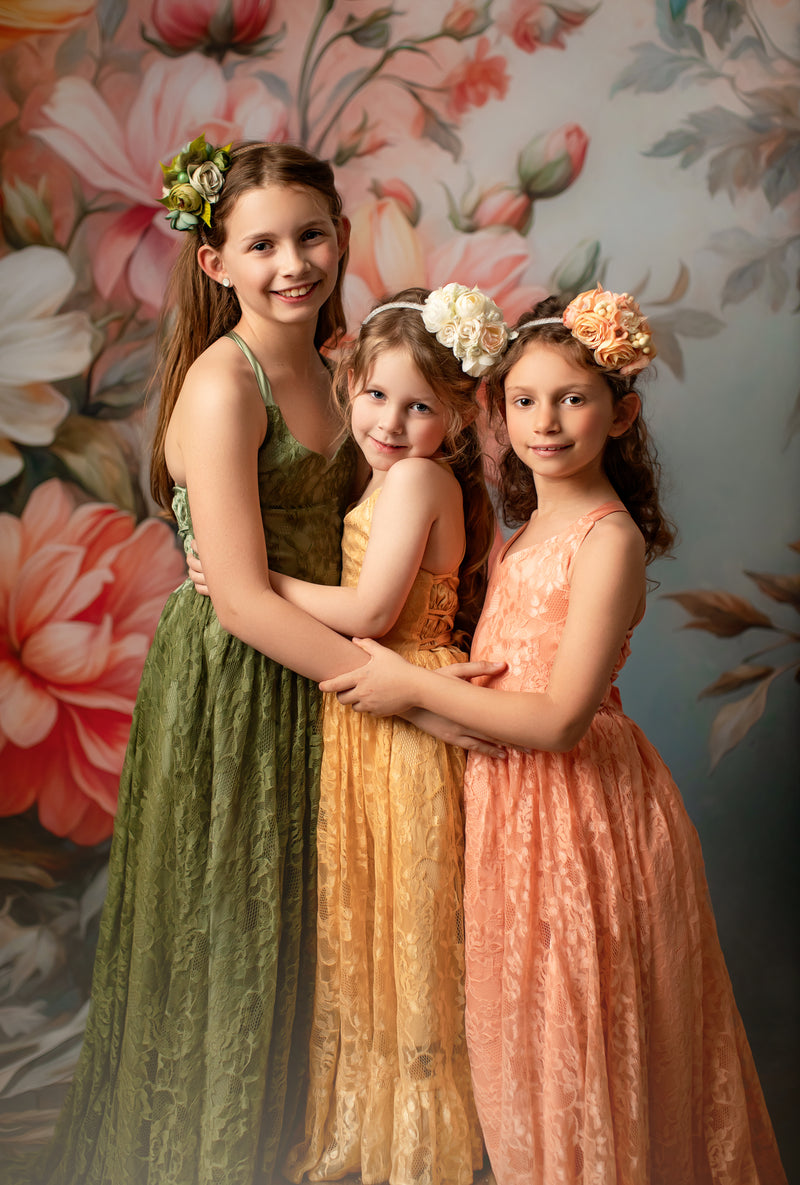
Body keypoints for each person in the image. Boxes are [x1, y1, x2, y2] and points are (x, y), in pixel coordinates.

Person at [320, 287, 788, 1185]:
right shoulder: (526, 528)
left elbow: (563, 716)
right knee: (522, 1054)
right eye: (525, 400)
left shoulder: (606, 539)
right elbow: (512, 666)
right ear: (495, 410)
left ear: (623, 413)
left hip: (583, 817)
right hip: (511, 809)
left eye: (573, 399)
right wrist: (451, 687)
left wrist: (408, 683)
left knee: (585, 1053)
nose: (546, 422)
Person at [6, 136, 373, 1185]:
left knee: (319, 930)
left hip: (325, 661)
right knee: (238, 937)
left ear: (341, 238)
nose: (291, 263)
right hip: (243, 683)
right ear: (216, 264)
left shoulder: (338, 366)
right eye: (261, 245)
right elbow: (246, 602)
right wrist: (399, 689)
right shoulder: (227, 385)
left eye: (310, 236)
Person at [265, 283, 505, 1185]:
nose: (393, 423)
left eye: (421, 407)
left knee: (409, 924)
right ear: (351, 382)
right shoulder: (392, 476)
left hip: (405, 713)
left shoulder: (417, 477)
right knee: (373, 919)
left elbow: (370, 609)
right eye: (377, 396)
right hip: (374, 711)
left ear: (457, 414)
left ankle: (423, 1147)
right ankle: (380, 1129)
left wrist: (256, 581)